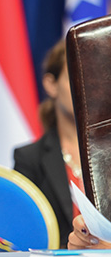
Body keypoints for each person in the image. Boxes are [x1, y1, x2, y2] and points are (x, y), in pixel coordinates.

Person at [13, 38, 81, 244]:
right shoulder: (29, 158)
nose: (85, 87)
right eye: (76, 77)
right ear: (51, 85)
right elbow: (24, 233)